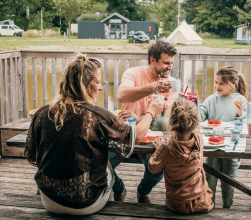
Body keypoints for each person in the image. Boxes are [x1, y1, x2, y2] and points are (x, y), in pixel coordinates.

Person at [24, 54, 163, 215]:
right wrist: (151, 112)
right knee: (105, 162)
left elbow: (35, 155)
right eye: (97, 82)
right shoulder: (98, 116)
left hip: (48, 200)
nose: (101, 87)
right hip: (86, 204)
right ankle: (117, 197)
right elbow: (136, 136)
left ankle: (119, 191)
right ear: (83, 84)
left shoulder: (42, 113)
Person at [112, 40, 178, 204]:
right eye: (166, 63)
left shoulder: (172, 83)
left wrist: (139, 117)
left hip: (153, 138)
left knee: (158, 166)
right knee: (101, 162)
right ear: (153, 60)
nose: (169, 67)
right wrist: (153, 87)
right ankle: (118, 187)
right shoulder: (133, 73)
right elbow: (121, 95)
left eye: (171, 63)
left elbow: (168, 120)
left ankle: (142, 192)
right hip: (127, 135)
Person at [148, 98, 214, 214]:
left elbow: (153, 168)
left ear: (171, 121)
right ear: (195, 122)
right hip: (202, 202)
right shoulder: (199, 139)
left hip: (177, 204)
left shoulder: (166, 148)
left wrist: (159, 150)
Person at [198, 66, 248, 209]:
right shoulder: (212, 99)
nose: (217, 86)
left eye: (221, 83)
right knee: (210, 180)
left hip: (231, 148)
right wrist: (195, 112)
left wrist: (240, 113)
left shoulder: (240, 100)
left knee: (228, 182)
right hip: (212, 147)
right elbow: (201, 112)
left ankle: (227, 207)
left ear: (232, 84)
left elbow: (247, 122)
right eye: (216, 82)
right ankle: (209, 205)